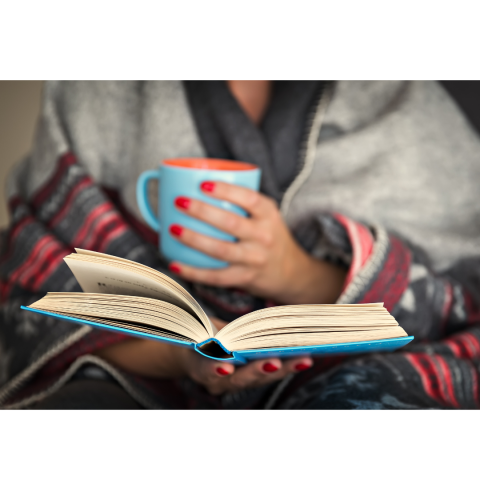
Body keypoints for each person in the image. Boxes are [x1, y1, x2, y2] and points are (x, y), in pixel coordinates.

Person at [1, 80, 479, 409]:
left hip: (366, 367)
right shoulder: (95, 90)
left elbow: (466, 293)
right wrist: (179, 351)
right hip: (144, 377)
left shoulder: (407, 97)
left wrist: (296, 272)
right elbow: (35, 297)